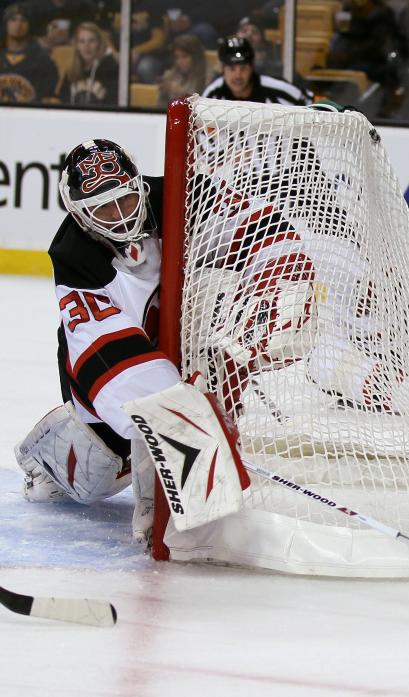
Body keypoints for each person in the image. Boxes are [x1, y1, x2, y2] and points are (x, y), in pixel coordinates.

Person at [13, 139, 316, 542]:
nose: (121, 217)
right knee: (102, 467)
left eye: (125, 200)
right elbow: (116, 366)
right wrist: (177, 420)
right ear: (81, 217)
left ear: (139, 185)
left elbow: (260, 226)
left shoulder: (182, 194)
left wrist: (281, 276)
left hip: (187, 338)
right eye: (104, 209)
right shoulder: (76, 260)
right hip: (107, 369)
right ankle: (50, 459)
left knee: (210, 352)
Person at [202, 36, 312, 105]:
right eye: (232, 69)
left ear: (252, 68)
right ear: (222, 69)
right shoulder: (212, 96)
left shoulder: (277, 89)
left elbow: (313, 103)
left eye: (243, 68)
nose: (238, 75)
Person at [0, 3, 58, 103]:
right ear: (6, 24)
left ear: (30, 25)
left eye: (23, 20)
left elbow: (49, 97)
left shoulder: (42, 60)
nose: (18, 25)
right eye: (13, 20)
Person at [56, 21, 118, 106]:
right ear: (77, 45)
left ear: (99, 44)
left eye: (91, 41)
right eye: (82, 41)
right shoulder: (71, 72)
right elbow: (62, 101)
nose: (86, 46)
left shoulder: (112, 69)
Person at [158, 32, 213, 105]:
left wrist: (180, 92)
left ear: (195, 56)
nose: (179, 62)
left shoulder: (208, 76)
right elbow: (160, 106)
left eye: (184, 57)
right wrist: (164, 91)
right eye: (177, 57)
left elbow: (202, 105)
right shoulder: (172, 74)